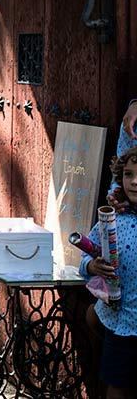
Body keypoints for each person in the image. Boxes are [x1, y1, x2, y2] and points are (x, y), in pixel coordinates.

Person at [80, 147, 137, 399]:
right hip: (123, 322)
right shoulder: (113, 219)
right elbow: (86, 257)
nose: (134, 181)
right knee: (116, 385)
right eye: (128, 174)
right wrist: (91, 267)